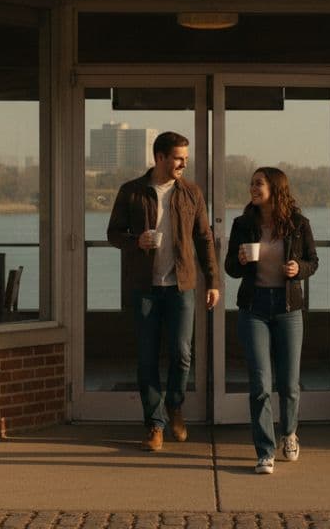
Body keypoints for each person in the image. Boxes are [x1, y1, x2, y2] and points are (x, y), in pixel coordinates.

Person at [106, 131, 220, 452]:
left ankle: (175, 407)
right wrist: (134, 241)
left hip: (181, 285)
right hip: (144, 288)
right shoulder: (131, 192)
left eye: (185, 157)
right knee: (146, 358)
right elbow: (113, 233)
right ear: (159, 158)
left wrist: (213, 280)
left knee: (182, 353)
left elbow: (204, 239)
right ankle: (155, 424)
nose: (184, 163)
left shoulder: (191, 193)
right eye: (178, 157)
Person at [224, 166, 319, 475]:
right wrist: (238, 261)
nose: (253, 187)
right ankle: (264, 451)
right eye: (251, 182)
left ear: (276, 188)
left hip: (288, 308)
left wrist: (298, 269)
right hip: (254, 308)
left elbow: (312, 262)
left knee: (289, 383)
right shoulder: (242, 224)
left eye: (259, 183)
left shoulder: (298, 224)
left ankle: (289, 434)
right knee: (260, 384)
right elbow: (231, 269)